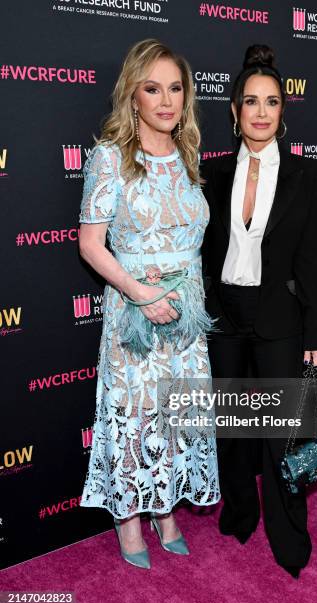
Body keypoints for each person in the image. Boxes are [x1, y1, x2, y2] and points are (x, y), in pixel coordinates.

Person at [78, 38, 220, 570]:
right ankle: (129, 519)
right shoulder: (110, 157)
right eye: (152, 88)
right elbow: (91, 243)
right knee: (134, 416)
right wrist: (141, 292)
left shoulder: (188, 154)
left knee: (177, 412)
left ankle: (165, 511)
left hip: (184, 315)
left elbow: (190, 240)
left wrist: (181, 293)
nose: (166, 100)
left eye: (176, 88)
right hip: (135, 313)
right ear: (132, 96)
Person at [201, 44, 317, 579]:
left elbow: (311, 258)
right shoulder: (209, 171)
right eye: (249, 101)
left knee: (281, 433)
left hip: (279, 317)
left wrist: (315, 329)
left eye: (270, 102)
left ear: (283, 110)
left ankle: (290, 535)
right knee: (231, 428)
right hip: (224, 316)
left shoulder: (308, 174)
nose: (259, 112)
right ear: (233, 111)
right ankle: (240, 512)